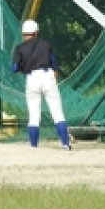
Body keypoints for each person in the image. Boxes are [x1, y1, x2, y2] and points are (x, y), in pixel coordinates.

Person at [12, 19, 71, 150]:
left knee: (34, 115)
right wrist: (54, 72)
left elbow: (14, 68)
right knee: (57, 113)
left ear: (23, 33)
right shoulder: (46, 44)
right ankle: (65, 144)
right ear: (36, 32)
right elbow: (54, 63)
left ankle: (34, 146)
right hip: (47, 76)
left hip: (32, 78)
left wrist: (23, 67)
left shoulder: (19, 48)